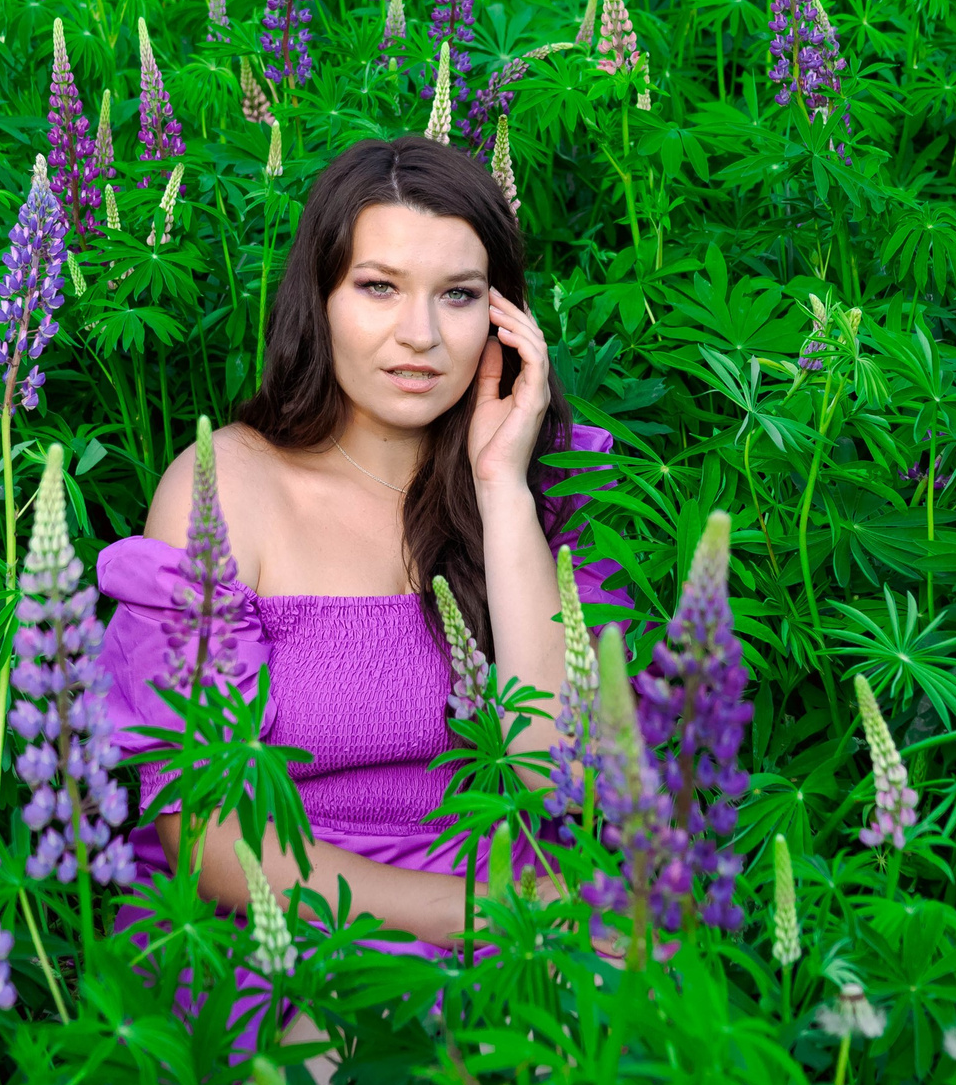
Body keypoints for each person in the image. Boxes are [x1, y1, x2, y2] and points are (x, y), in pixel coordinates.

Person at [98, 135, 627, 952]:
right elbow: (202, 837)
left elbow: (563, 778)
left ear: (504, 318)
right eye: (379, 288)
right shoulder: (227, 488)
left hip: (533, 899)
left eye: (458, 295)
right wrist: (481, 912)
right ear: (321, 298)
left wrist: (503, 494)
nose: (418, 333)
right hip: (302, 918)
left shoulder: (545, 487)